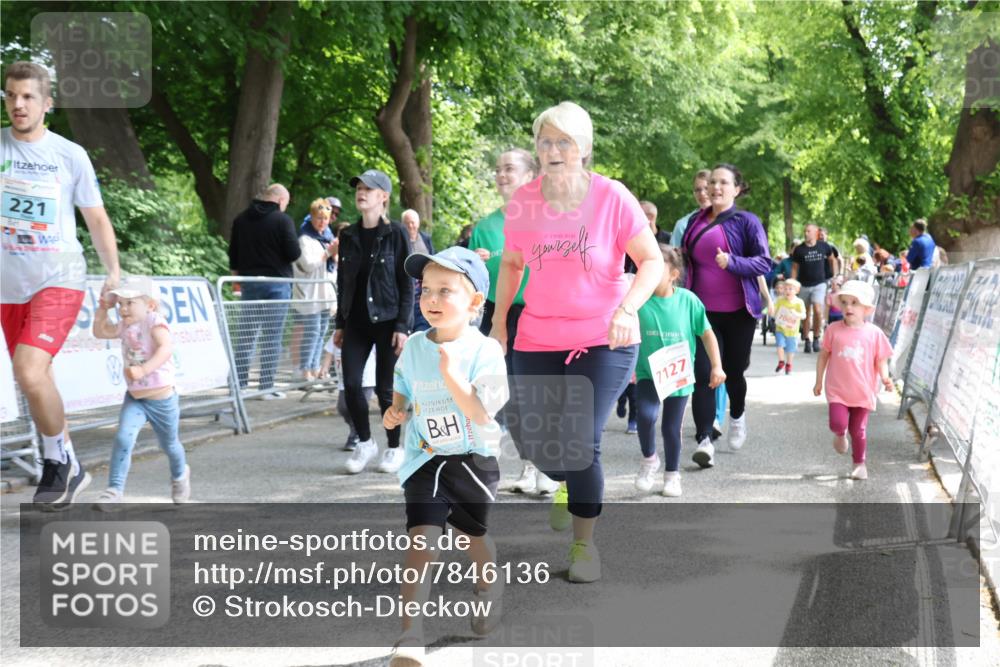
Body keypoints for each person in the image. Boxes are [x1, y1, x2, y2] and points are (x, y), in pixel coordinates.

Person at [492, 102, 663, 582]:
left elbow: (650, 261)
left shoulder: (612, 197)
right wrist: (500, 321)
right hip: (538, 334)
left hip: (604, 336)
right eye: (545, 141)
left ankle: (584, 547)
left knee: (579, 442)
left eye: (564, 142)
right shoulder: (525, 200)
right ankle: (568, 481)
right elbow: (511, 265)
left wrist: (628, 309)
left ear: (584, 148)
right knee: (536, 444)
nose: (553, 150)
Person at [2, 61, 121, 508]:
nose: (18, 104)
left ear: (47, 103)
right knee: (38, 379)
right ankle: (70, 465)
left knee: (28, 370)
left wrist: (112, 272)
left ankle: (57, 462)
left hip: (59, 277)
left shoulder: (69, 155)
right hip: (9, 285)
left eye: (28, 96)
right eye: (11, 95)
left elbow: (96, 217)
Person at [384, 247, 507, 665]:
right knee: (422, 541)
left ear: (474, 304)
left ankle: (488, 586)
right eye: (425, 290)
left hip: (473, 460)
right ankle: (409, 635)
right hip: (424, 458)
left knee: (473, 538)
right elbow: (402, 379)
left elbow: (480, 411)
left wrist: (453, 377)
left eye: (445, 291)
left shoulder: (486, 351)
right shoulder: (417, 344)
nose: (431, 300)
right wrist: (396, 406)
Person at [470, 148, 558, 496]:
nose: (501, 174)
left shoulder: (547, 217)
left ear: (529, 177)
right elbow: (473, 280)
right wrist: (473, 264)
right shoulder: (485, 226)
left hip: (537, 311)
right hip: (497, 314)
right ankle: (529, 464)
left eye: (509, 168)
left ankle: (547, 467)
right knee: (508, 397)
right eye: (498, 169)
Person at [680, 163, 771, 469]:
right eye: (712, 182)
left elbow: (763, 263)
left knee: (733, 371)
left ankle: (737, 415)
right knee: (705, 374)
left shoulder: (747, 221)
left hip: (739, 311)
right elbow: (686, 262)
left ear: (736, 188)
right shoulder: (695, 221)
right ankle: (705, 439)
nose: (715, 188)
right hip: (702, 312)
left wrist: (732, 262)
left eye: (723, 183)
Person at [334, 169, 413, 475]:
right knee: (352, 384)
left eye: (369, 188)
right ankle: (365, 443)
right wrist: (340, 324)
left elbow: (407, 282)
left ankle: (394, 447)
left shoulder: (396, 233)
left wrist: (402, 326)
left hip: (388, 319)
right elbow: (343, 282)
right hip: (355, 321)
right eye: (359, 188)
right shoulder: (348, 235)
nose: (361, 193)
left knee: (385, 389)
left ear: (383, 196)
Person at [91, 276, 190, 508]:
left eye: (130, 303)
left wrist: (143, 369)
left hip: (162, 398)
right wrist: (103, 308)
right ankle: (114, 490)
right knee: (123, 438)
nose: (123, 309)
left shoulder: (154, 321)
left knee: (169, 445)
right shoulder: (125, 325)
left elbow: (166, 349)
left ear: (150, 305)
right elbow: (100, 332)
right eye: (120, 304)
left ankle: (179, 475)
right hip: (135, 398)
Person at [633, 246, 725, 497]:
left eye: (656, 266)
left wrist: (716, 366)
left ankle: (672, 475)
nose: (648, 271)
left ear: (673, 273)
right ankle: (649, 459)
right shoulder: (638, 298)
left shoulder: (688, 300)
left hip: (678, 374)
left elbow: (707, 334)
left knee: (670, 428)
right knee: (645, 416)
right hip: (647, 373)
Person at [813, 280, 894, 481]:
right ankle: (840, 435)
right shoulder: (833, 329)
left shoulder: (874, 333)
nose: (848, 307)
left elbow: (881, 360)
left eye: (855, 303)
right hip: (838, 389)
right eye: (845, 302)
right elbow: (823, 355)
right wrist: (818, 381)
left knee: (858, 430)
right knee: (837, 423)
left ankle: (859, 463)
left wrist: (885, 378)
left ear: (866, 309)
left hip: (863, 390)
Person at [229, 183, 301, 399]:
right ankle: (266, 387)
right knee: (272, 336)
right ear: (280, 200)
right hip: (276, 283)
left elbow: (233, 254)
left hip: (249, 283)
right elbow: (293, 253)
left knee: (246, 336)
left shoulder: (241, 219)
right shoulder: (282, 220)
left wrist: (236, 280)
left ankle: (240, 385)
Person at [292, 199, 337, 380]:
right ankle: (305, 370)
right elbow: (308, 264)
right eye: (319, 218)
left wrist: (335, 253)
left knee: (321, 333)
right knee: (311, 332)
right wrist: (328, 253)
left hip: (326, 294)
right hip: (311, 294)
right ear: (311, 217)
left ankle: (315, 367)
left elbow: (334, 264)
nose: (322, 222)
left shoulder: (327, 236)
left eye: (325, 219)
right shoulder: (304, 238)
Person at [319, 335, 375, 451]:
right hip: (344, 380)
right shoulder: (337, 334)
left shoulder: (369, 331)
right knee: (343, 407)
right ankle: (356, 429)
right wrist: (325, 368)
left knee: (359, 407)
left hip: (366, 380)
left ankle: (357, 435)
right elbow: (330, 352)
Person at [791, 223, 837, 353]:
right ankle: (807, 339)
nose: (806, 233)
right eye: (805, 231)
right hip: (804, 284)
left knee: (818, 310)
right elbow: (794, 267)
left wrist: (834, 275)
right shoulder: (799, 250)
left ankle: (816, 337)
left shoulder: (824, 246)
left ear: (816, 233)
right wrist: (793, 284)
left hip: (819, 283)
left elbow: (832, 259)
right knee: (805, 313)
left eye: (809, 231)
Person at [403, 208, 435, 332]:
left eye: (413, 222)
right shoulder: (400, 239)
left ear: (418, 223)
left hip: (425, 283)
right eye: (407, 223)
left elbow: (433, 256)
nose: (411, 226)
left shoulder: (425, 238)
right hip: (408, 284)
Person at [772, 279, 806, 375]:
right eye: (785, 289)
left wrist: (797, 314)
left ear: (797, 291)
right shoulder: (780, 300)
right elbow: (773, 309)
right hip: (780, 328)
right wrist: (768, 312)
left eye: (790, 289)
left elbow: (804, 315)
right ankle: (781, 361)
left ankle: (789, 364)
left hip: (792, 331)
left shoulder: (799, 302)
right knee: (779, 345)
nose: (787, 291)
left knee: (790, 350)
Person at [671, 169, 712, 247]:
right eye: (698, 190)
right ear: (694, 194)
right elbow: (673, 257)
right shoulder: (683, 225)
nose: (702, 193)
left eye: (706, 188)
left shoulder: (732, 221)